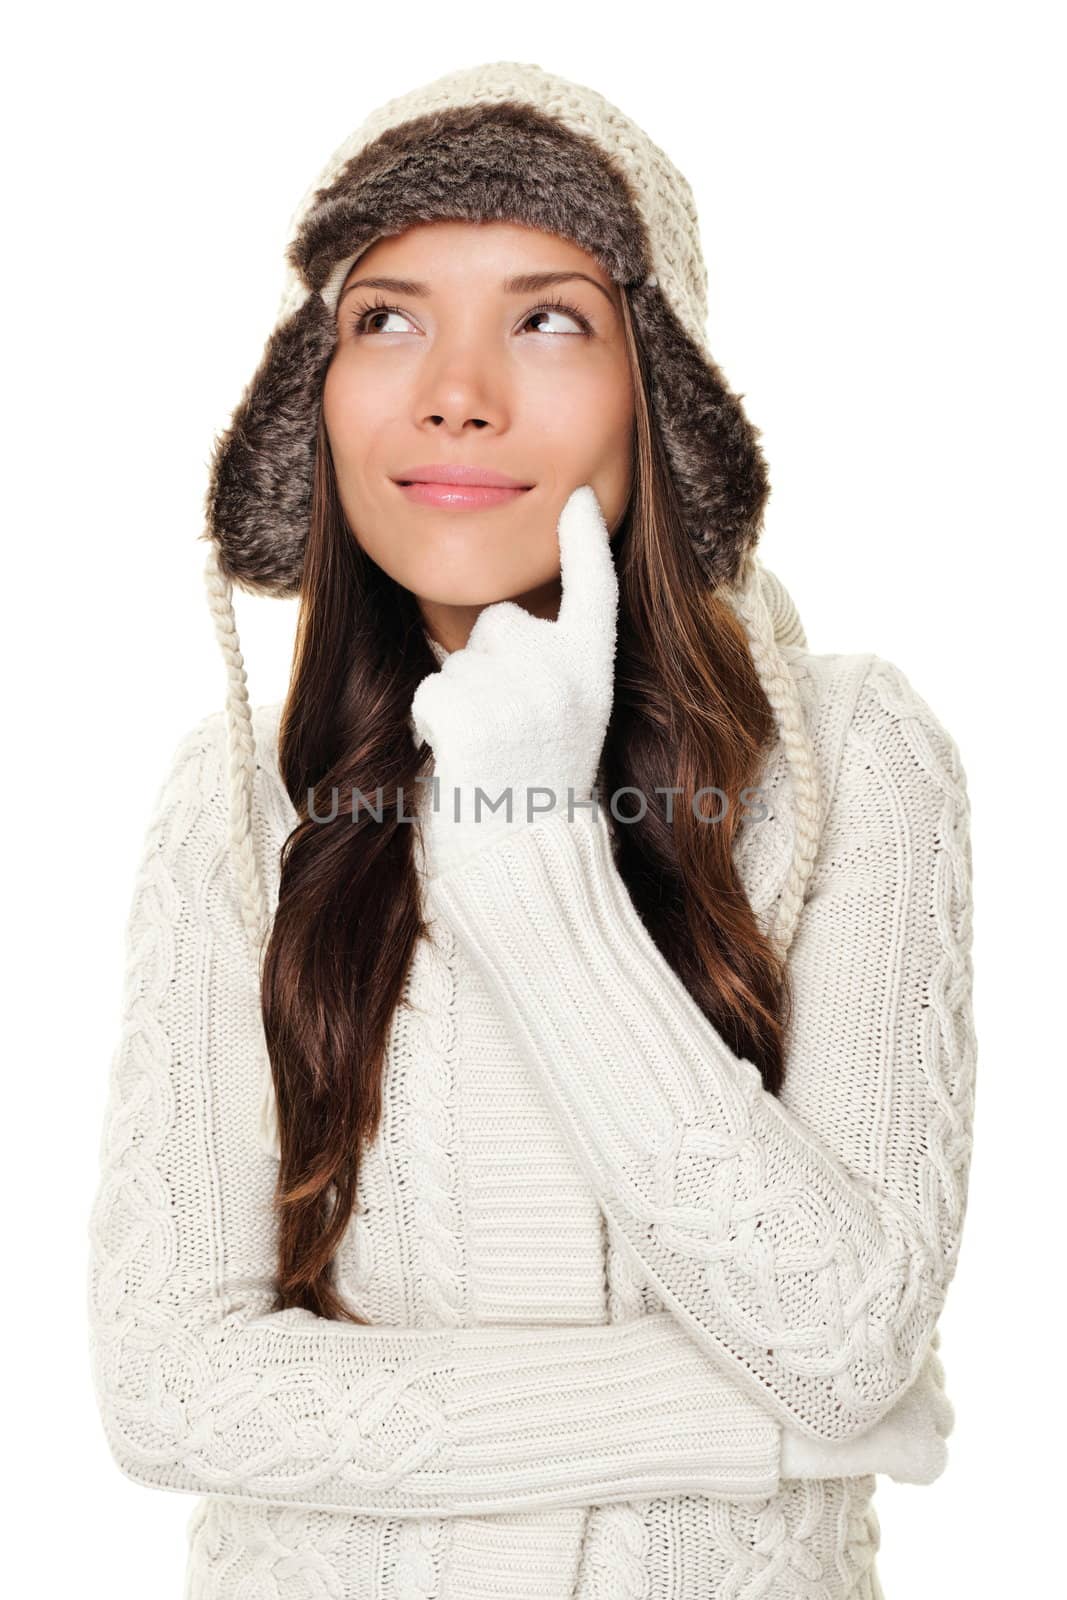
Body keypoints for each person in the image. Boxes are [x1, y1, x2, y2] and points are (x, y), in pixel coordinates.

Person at [86, 60, 975, 1599]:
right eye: (388, 317)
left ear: (666, 391)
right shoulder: (235, 808)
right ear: (316, 395)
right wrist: (747, 1424)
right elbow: (170, 1386)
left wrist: (528, 864)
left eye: (549, 315)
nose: (457, 388)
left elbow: (841, 1340)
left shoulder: (855, 757)